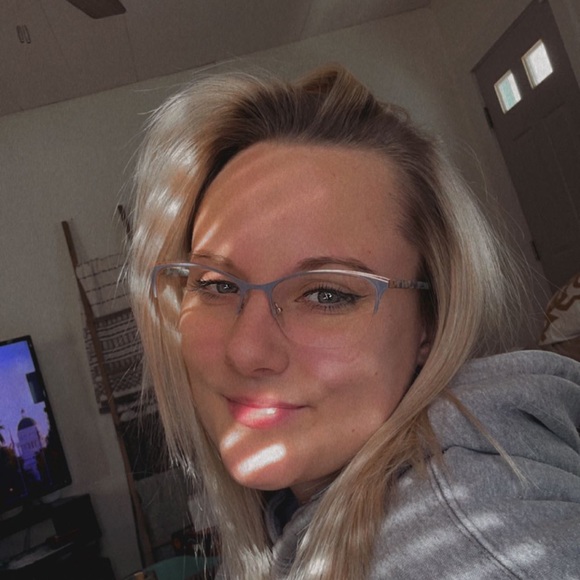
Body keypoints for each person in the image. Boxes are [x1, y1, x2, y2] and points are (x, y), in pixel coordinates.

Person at [127, 65, 580, 579]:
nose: (246, 350)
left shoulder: (462, 531)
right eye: (216, 285)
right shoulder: (301, 502)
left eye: (326, 294)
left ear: (430, 321)